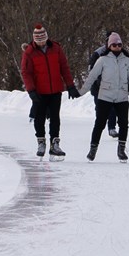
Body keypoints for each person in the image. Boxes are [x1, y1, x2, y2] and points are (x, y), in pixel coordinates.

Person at [20, 22, 79, 157]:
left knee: (55, 118)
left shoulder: (56, 48)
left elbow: (64, 67)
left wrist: (70, 85)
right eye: (39, 41)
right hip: (39, 91)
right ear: (35, 40)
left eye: (43, 40)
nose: (42, 43)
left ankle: (55, 143)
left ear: (46, 38)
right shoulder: (29, 52)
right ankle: (41, 141)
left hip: (55, 90)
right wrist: (31, 91)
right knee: (39, 118)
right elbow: (26, 72)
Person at [84, 32, 129, 162]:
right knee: (100, 122)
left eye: (119, 44)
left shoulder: (127, 60)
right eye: (114, 44)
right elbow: (92, 75)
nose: (117, 47)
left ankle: (121, 149)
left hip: (121, 96)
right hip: (104, 95)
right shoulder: (101, 57)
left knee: (124, 123)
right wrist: (84, 90)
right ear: (109, 45)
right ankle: (93, 149)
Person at [89, 31, 118, 139]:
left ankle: (112, 128)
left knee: (113, 108)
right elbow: (91, 69)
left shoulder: (120, 53)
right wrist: (99, 79)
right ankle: (99, 127)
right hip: (98, 87)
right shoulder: (98, 53)